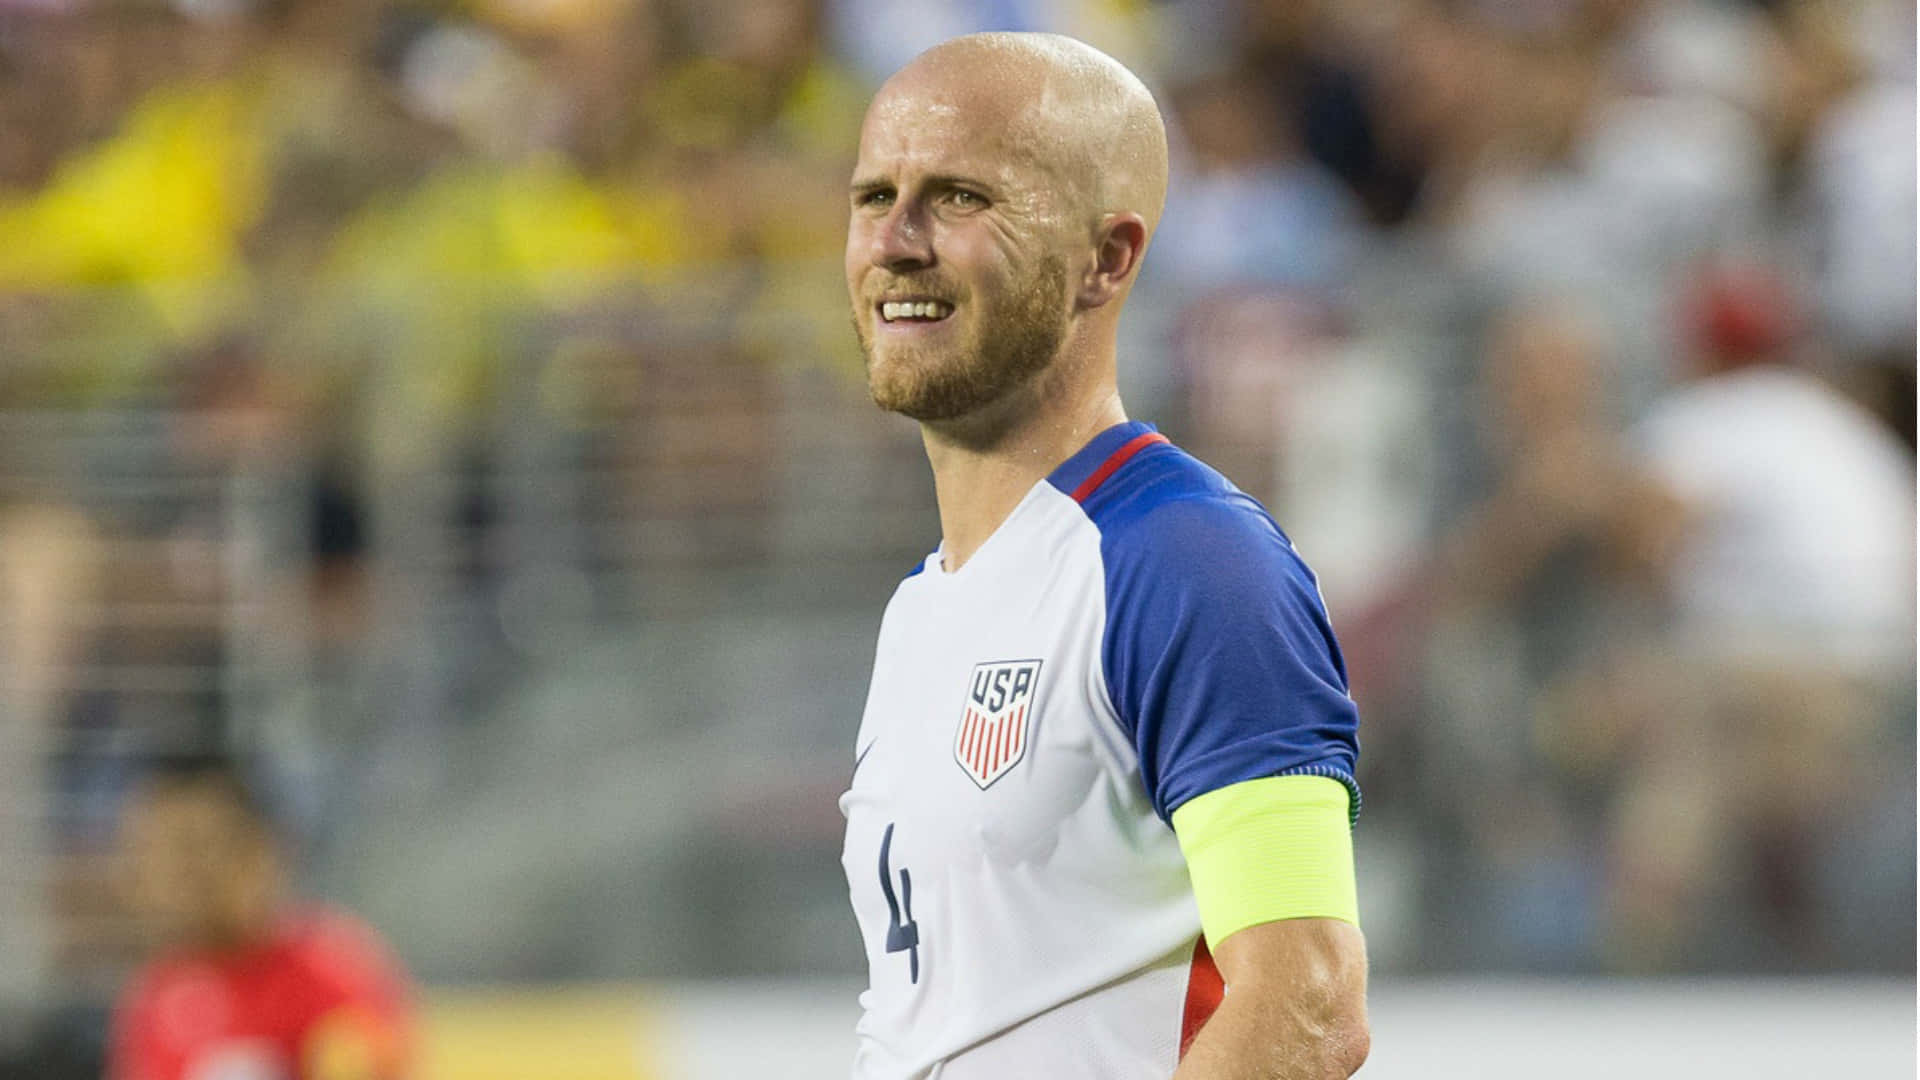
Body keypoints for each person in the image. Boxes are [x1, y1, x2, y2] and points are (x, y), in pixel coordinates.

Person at [839, 32, 1367, 1079]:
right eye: (871, 196)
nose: (895, 241)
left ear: (1108, 258)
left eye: (958, 198)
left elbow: (1306, 1006)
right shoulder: (922, 607)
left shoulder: (1190, 563)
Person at [107, 755, 413, 1080]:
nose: (180, 875)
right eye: (156, 852)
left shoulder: (333, 974)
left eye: (197, 848)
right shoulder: (156, 990)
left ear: (262, 849)